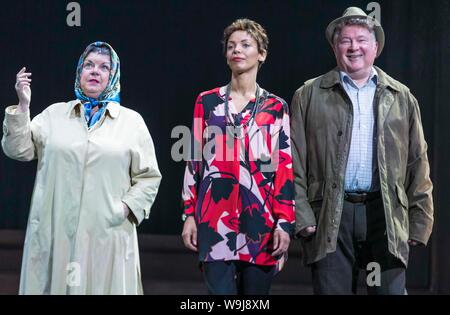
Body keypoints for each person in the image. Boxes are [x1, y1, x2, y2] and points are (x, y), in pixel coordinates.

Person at [290, 7, 434, 295]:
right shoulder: (309, 94)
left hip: (385, 214)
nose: (353, 47)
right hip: (331, 213)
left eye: (361, 39)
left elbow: (418, 162)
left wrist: (420, 221)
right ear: (334, 47)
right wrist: (302, 215)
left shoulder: (401, 96)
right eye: (345, 40)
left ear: (376, 47)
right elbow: (293, 159)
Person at [2, 41, 162, 294]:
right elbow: (18, 149)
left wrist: (124, 208)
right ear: (79, 73)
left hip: (107, 233)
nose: (95, 71)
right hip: (56, 230)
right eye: (89, 65)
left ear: (113, 75)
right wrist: (23, 108)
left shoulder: (131, 123)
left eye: (104, 67)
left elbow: (149, 177)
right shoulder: (54, 115)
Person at [181, 19, 295, 295]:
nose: (237, 50)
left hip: (261, 226)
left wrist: (285, 223)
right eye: (231, 46)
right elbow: (194, 160)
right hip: (214, 222)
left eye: (246, 45)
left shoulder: (275, 107)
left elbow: (283, 169)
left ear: (262, 54)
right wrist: (189, 214)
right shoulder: (207, 102)